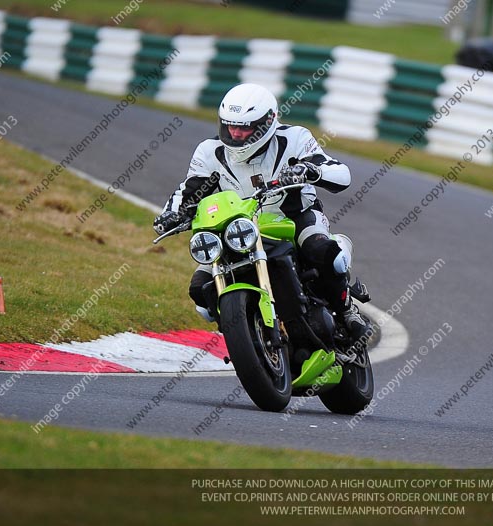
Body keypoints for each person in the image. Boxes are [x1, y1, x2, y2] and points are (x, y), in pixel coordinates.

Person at [153, 83, 369, 341]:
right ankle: (246, 336)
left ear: (268, 122)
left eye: (244, 128)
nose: (235, 134)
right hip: (238, 229)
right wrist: (170, 214)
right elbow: (188, 190)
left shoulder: (295, 138)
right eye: (230, 126)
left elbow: (340, 173)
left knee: (323, 253)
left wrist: (311, 171)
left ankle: (346, 311)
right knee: (200, 290)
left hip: (294, 217)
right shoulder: (209, 152)